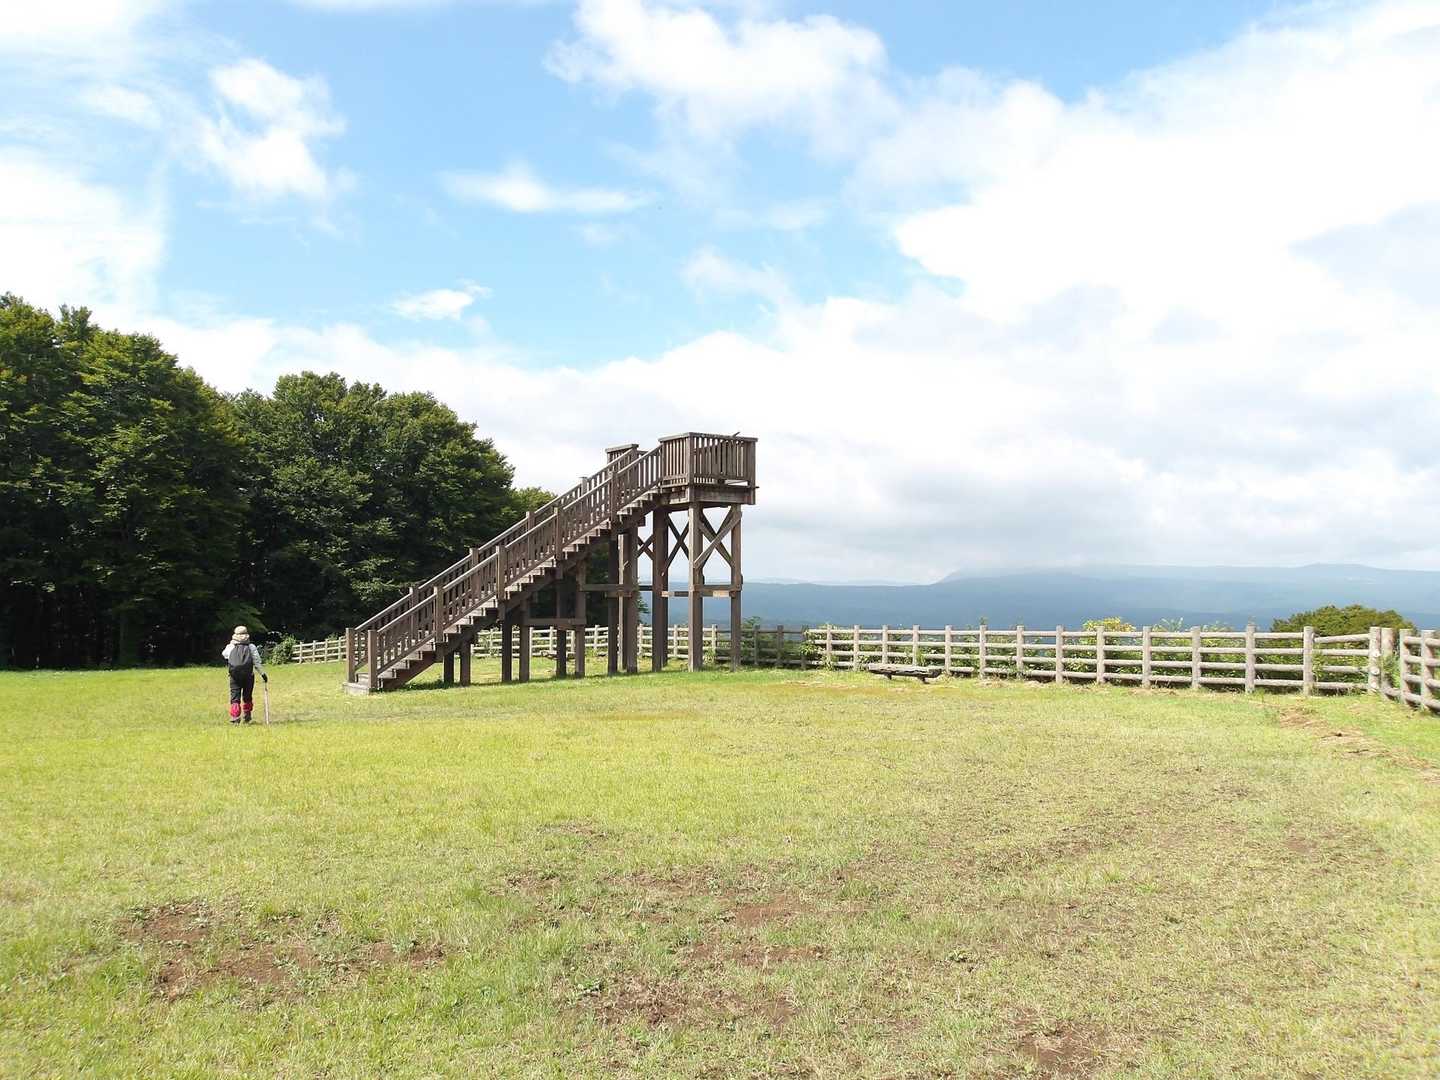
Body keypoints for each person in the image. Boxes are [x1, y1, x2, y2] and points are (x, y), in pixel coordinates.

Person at [222, 625, 267, 723]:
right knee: (247, 696)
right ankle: (247, 715)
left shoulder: (231, 646)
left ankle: (235, 717)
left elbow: (224, 654)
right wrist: (263, 674)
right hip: (248, 675)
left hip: (234, 676)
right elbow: (257, 662)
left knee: (235, 696)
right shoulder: (251, 647)